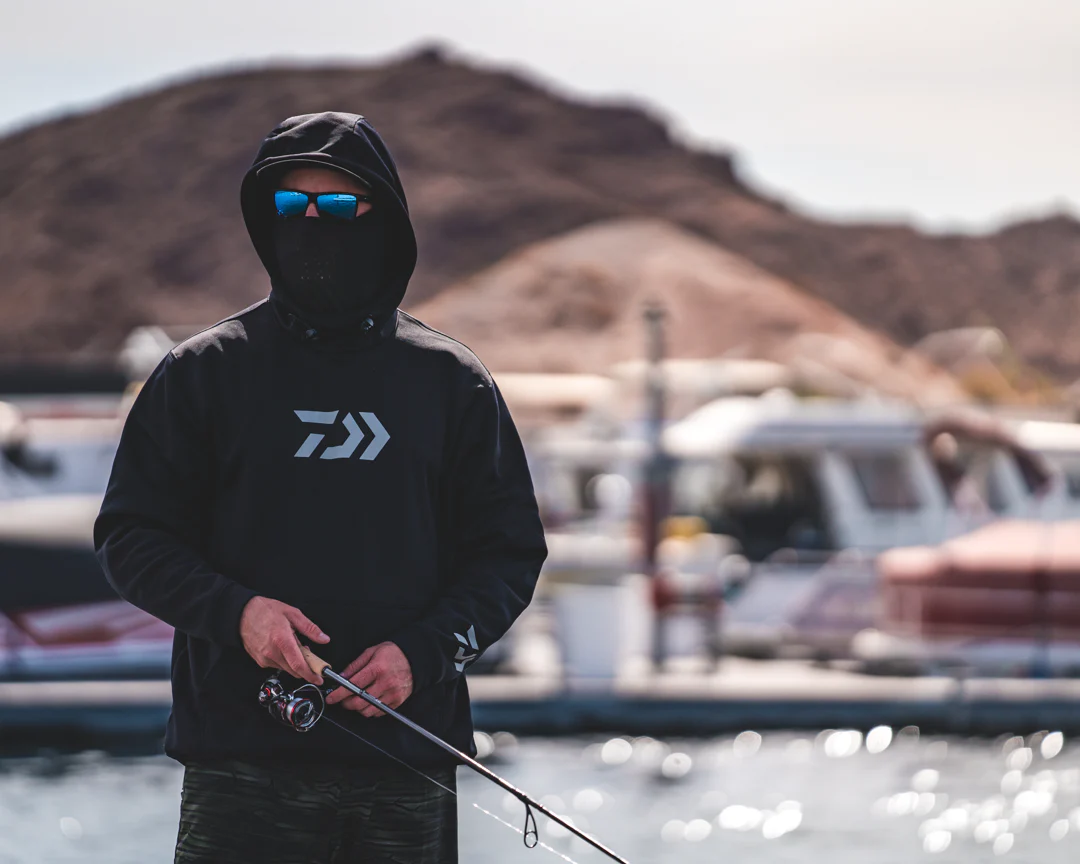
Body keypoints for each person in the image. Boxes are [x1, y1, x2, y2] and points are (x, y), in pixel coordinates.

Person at [93, 111, 549, 863]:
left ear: (382, 219)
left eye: (336, 206)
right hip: (240, 764)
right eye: (290, 205)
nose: (311, 225)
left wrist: (422, 654)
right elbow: (130, 536)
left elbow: (508, 556)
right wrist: (238, 614)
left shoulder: (450, 382)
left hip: (408, 761)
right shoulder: (204, 373)